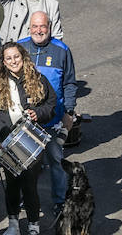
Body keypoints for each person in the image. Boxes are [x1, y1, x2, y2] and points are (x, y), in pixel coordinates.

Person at [0, 41, 58, 235]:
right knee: (12, 185)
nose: (13, 61)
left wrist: (39, 114)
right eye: (8, 58)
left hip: (30, 139)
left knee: (29, 184)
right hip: (7, 141)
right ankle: (14, 225)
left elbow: (51, 104)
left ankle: (33, 229)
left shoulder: (37, 78)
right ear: (3, 62)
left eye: (16, 57)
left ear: (22, 57)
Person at [19, 11, 78, 204]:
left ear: (49, 27)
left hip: (54, 119)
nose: (38, 30)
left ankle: (60, 203)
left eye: (42, 26)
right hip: (27, 122)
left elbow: (69, 83)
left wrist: (69, 112)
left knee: (56, 163)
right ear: (29, 28)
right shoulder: (21, 48)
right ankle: (25, 201)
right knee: (24, 164)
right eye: (35, 26)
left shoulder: (62, 50)